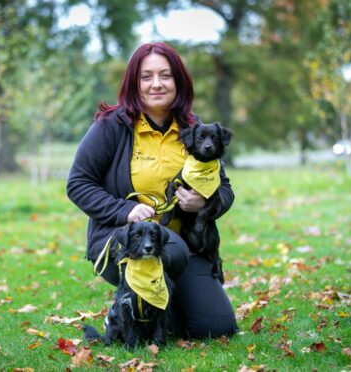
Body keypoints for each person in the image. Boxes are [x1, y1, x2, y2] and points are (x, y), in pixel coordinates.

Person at [66, 42, 238, 338]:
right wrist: (125, 210)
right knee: (171, 249)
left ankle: (159, 312)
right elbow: (78, 184)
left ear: (178, 82)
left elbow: (225, 190)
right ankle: (121, 313)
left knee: (216, 328)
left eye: (165, 75)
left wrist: (203, 204)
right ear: (134, 83)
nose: (156, 84)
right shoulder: (112, 125)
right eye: (146, 77)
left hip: (187, 247)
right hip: (123, 241)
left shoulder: (194, 129)